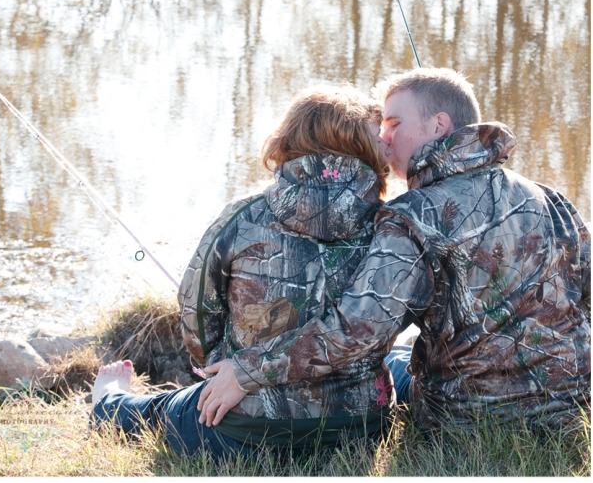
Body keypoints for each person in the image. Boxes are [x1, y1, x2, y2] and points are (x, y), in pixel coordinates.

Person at [198, 67, 591, 434]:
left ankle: (135, 404)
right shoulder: (548, 197)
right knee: (403, 359)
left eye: (395, 125)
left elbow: (357, 330)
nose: (383, 139)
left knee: (395, 363)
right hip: (573, 409)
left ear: (439, 125)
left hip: (468, 420)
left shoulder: (412, 214)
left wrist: (246, 371)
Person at [92, 84, 395, 456]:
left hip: (246, 432)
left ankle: (108, 402)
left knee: (165, 410)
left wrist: (223, 368)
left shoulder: (242, 216)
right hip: (362, 429)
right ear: (369, 151)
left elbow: (197, 310)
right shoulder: (393, 226)